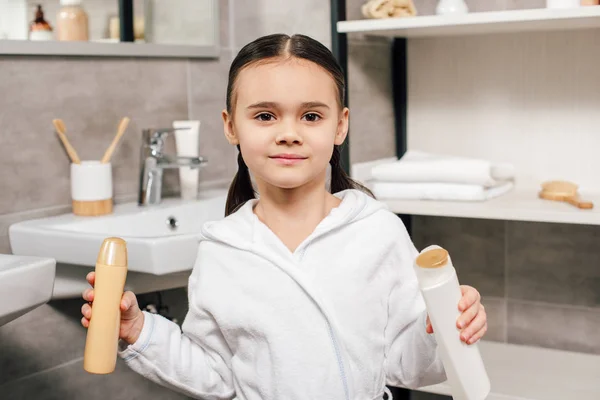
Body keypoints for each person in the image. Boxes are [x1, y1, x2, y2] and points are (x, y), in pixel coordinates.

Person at [81, 33, 487, 400]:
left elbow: (405, 363)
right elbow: (215, 374)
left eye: (311, 116)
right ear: (230, 126)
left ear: (340, 125)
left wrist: (442, 328)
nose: (288, 132)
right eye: (264, 116)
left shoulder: (377, 231)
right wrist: (139, 331)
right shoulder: (223, 249)